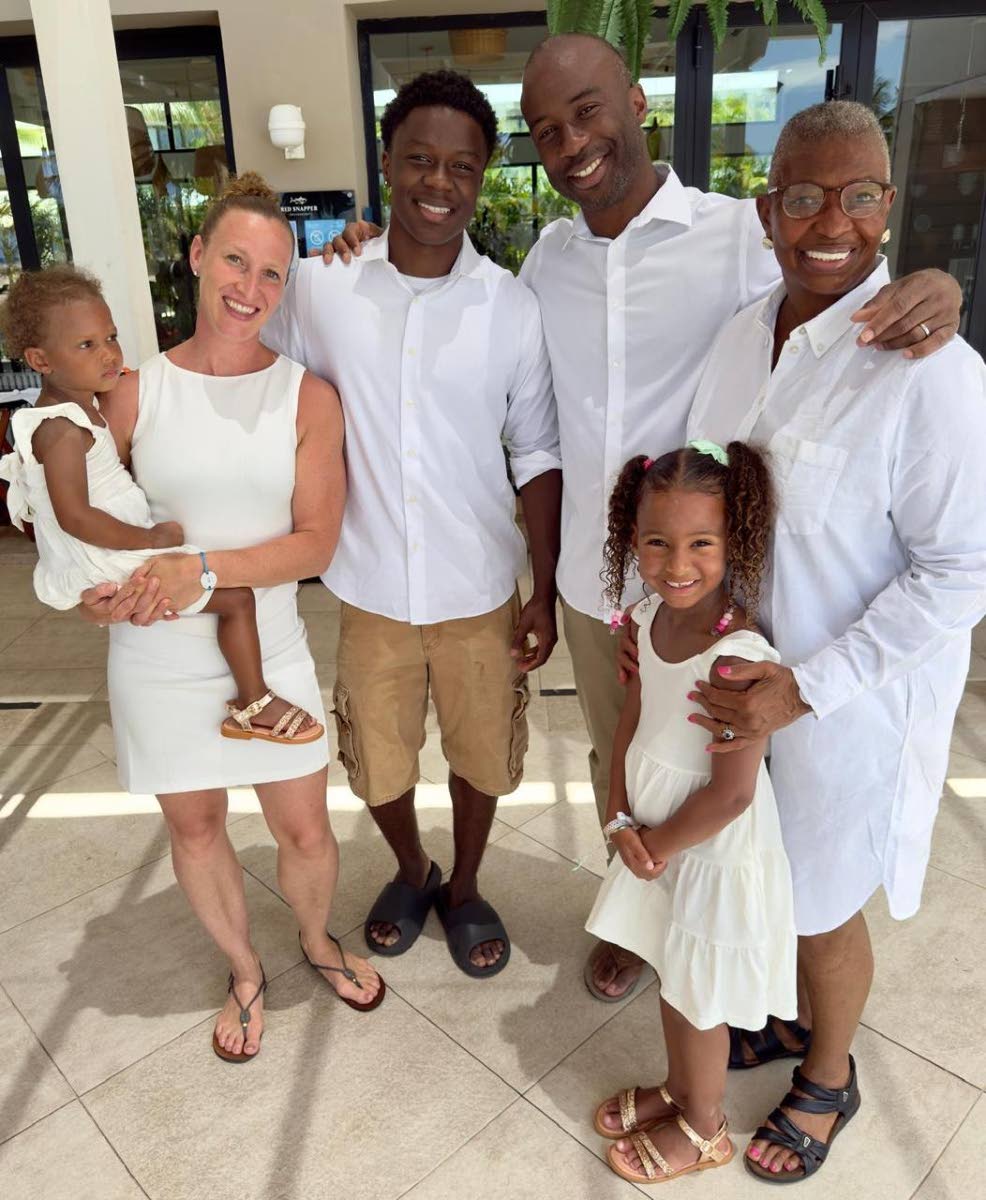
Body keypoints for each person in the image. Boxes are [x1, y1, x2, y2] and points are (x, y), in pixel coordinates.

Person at [326, 32, 965, 1005]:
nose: (571, 140)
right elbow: (525, 416)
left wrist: (932, 285)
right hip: (595, 583)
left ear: (634, 101)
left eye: (586, 111)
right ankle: (630, 908)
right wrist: (358, 246)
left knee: (712, 767)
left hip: (708, 585)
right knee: (615, 756)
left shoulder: (734, 235)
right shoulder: (544, 257)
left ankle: (716, 937)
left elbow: (834, 267)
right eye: (546, 130)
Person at [678, 101, 986, 1182]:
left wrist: (804, 689)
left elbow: (959, 571)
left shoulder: (928, 368)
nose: (830, 222)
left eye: (857, 195)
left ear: (887, 208)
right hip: (737, 683)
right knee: (758, 871)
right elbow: (708, 475)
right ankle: (784, 1024)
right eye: (803, 195)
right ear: (767, 211)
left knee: (818, 899)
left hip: (839, 704)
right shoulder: (738, 333)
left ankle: (829, 1076)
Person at [261, 70, 562, 978]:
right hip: (369, 584)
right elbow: (260, 384)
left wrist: (542, 589)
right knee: (376, 762)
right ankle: (411, 866)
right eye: (420, 160)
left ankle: (465, 884)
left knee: (484, 755)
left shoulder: (511, 306)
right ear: (388, 163)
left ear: (484, 176)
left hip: (479, 588)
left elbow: (537, 453)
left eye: (461, 166)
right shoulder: (323, 289)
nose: (440, 183)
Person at [78, 172, 384, 1064]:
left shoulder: (307, 397)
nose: (252, 289)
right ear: (197, 256)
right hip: (157, 657)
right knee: (197, 827)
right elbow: (91, 525)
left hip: (271, 645)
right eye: (236, 262)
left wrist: (199, 570)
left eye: (274, 275)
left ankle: (316, 940)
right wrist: (98, 592)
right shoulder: (133, 395)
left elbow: (315, 544)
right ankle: (244, 969)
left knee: (305, 828)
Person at [586, 440, 797, 1186]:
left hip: (706, 849)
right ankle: (679, 1093)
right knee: (674, 973)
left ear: (733, 542)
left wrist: (657, 844)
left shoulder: (736, 656)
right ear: (631, 541)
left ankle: (706, 1128)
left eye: (701, 543)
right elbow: (633, 718)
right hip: (655, 836)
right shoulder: (646, 618)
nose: (678, 563)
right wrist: (618, 811)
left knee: (697, 994)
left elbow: (733, 793)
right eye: (658, 542)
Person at [0, 265, 323, 748]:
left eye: (110, 336)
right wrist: (151, 539)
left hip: (109, 547)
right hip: (108, 551)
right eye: (86, 345)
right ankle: (253, 702)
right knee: (236, 600)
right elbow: (76, 517)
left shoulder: (87, 408)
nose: (109, 352)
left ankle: (250, 700)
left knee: (230, 598)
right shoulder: (63, 428)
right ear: (39, 360)